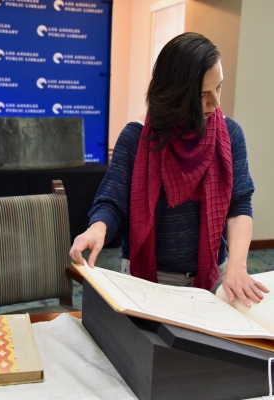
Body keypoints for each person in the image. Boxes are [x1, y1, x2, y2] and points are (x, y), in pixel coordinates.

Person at [70, 32, 269, 307]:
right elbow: (112, 202)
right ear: (176, 94)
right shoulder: (137, 137)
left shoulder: (230, 135)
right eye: (203, 95)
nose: (216, 103)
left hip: (214, 277)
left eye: (219, 88)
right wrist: (98, 228)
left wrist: (237, 265)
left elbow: (239, 204)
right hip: (146, 280)